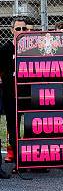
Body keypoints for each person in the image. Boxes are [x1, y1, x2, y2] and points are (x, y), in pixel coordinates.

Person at [0, 18, 29, 177]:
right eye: (18, 28)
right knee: (13, 128)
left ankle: (30, 158)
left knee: (32, 126)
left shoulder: (32, 49)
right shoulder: (5, 49)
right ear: (12, 30)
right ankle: (17, 160)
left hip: (29, 95)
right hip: (11, 96)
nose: (21, 31)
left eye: (24, 29)